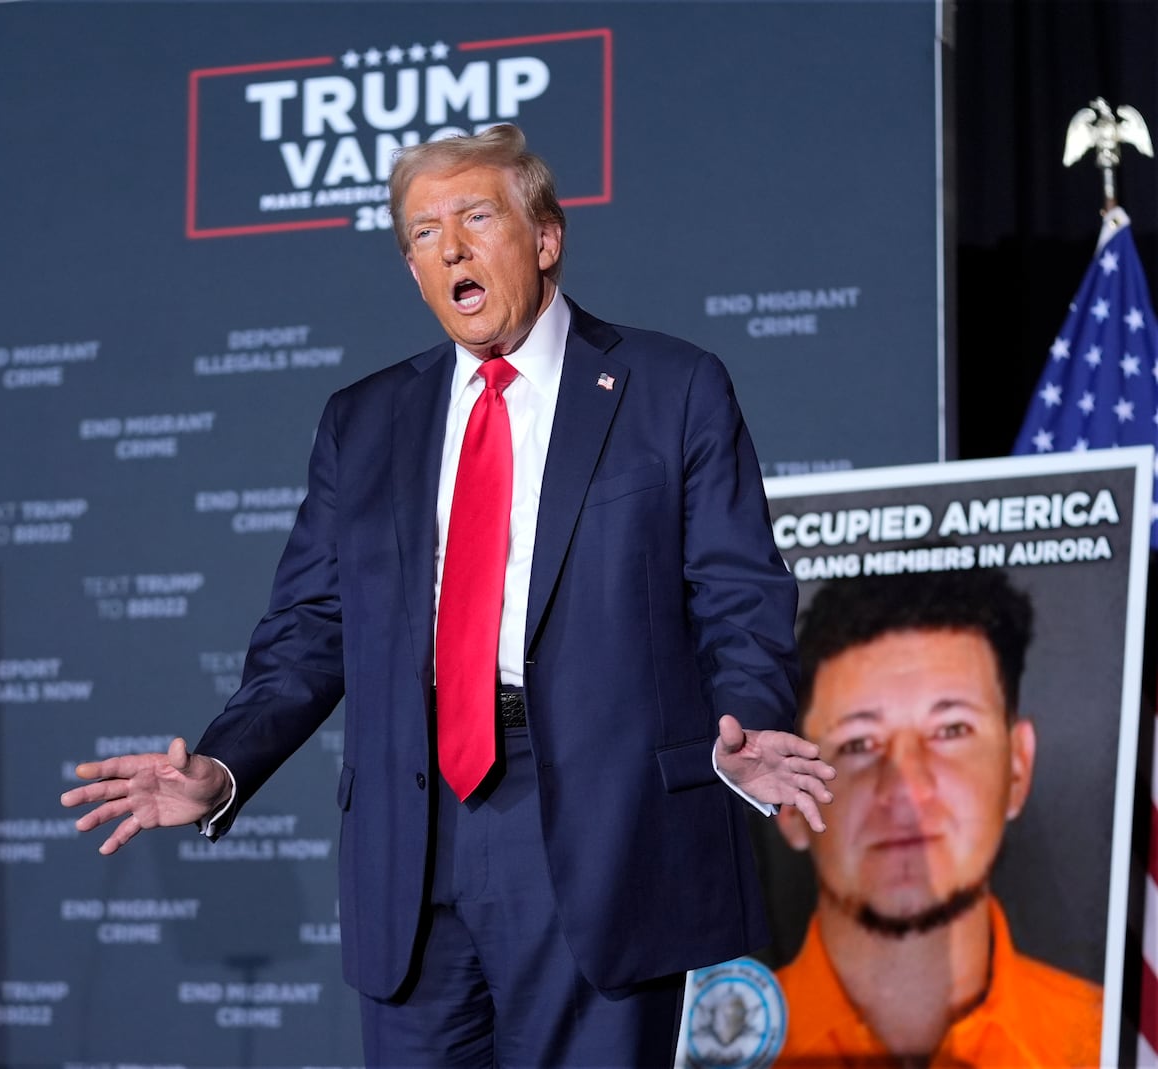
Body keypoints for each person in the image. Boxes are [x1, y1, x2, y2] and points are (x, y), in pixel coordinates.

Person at [62, 124, 835, 1067]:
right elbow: (311, 630)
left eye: (476, 217)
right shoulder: (365, 420)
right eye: (423, 234)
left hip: (600, 822)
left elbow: (737, 588)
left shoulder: (670, 388)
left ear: (545, 237)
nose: (452, 248)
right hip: (409, 829)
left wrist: (748, 723)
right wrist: (223, 768)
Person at [772, 569, 1102, 1067]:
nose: (905, 790)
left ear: (1017, 768)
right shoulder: (693, 1049)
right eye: (858, 743)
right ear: (790, 799)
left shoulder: (1115, 1043)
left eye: (951, 730)